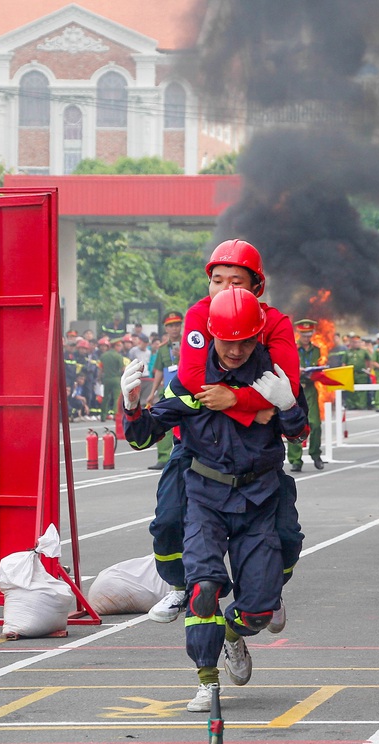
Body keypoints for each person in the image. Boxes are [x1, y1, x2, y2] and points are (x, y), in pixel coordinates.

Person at [122, 287, 308, 713]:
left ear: (258, 336)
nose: (237, 349)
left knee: (258, 613)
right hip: (205, 497)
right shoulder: (190, 380)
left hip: (260, 498)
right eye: (227, 340)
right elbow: (143, 437)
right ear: (211, 334)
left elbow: (299, 435)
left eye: (246, 340)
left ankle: (233, 634)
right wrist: (132, 406)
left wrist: (287, 406)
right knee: (203, 588)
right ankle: (207, 680)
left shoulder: (270, 378)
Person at [145, 239, 302, 627]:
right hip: (200, 449)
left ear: (257, 287)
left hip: (255, 457)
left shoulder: (276, 323)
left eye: (237, 281)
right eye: (218, 280)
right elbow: (194, 379)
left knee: (285, 536)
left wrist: (234, 400)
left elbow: (286, 389)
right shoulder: (199, 314)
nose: (226, 290)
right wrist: (254, 406)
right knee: (167, 522)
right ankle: (182, 586)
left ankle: (269, 594)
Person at [143, 312, 184, 470]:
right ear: (165, 328)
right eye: (170, 326)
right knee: (163, 424)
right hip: (168, 392)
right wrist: (152, 392)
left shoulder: (189, 342)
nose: (174, 329)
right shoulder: (161, 349)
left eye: (177, 325)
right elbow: (159, 371)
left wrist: (182, 356)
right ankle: (163, 458)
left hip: (186, 391)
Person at [286, 319, 324, 472]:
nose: (306, 337)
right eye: (303, 334)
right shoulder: (291, 348)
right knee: (294, 424)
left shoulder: (317, 350)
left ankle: (316, 454)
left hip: (310, 388)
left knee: (315, 424)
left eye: (309, 334)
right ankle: (296, 460)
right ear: (299, 333)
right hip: (295, 389)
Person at [99, 337, 126, 422]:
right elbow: (123, 369)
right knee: (116, 398)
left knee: (105, 397)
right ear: (115, 346)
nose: (120, 347)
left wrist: (99, 378)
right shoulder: (119, 356)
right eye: (119, 345)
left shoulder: (103, 356)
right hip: (116, 379)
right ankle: (116, 415)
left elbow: (100, 369)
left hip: (106, 379)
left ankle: (103, 416)